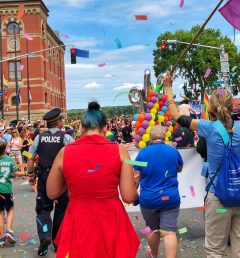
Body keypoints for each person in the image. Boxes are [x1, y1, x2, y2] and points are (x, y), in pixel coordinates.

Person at [165, 72, 240, 258]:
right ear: (232, 106)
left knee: (215, 250)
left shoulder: (208, 127)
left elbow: (174, 115)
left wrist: (168, 87)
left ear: (211, 108)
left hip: (218, 198)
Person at [47, 102, 140, 258]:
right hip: (110, 217)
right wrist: (134, 184)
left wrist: (72, 179)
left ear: (82, 128)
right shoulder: (119, 151)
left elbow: (51, 192)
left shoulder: (65, 152)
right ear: (105, 128)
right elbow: (128, 197)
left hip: (78, 217)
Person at [27, 108, 75, 256]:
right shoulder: (66, 138)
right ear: (59, 123)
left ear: (47, 124)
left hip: (44, 177)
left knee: (43, 209)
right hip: (61, 178)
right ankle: (58, 242)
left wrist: (30, 174)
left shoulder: (39, 138)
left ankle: (45, 235)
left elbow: (29, 156)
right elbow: (76, 156)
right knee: (61, 209)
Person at [133, 126, 183, 258]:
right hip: (170, 198)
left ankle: (154, 255)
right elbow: (179, 168)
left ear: (150, 138)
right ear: (165, 137)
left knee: (153, 230)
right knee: (169, 232)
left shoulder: (143, 153)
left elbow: (136, 177)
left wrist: (133, 195)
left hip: (149, 199)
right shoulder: (173, 151)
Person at [0, 141, 29, 247]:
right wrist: (27, 173)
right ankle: (8, 231)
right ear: (5, 150)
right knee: (10, 209)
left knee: (0, 213)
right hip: (6, 189)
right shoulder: (9, 160)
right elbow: (16, 173)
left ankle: (1, 237)